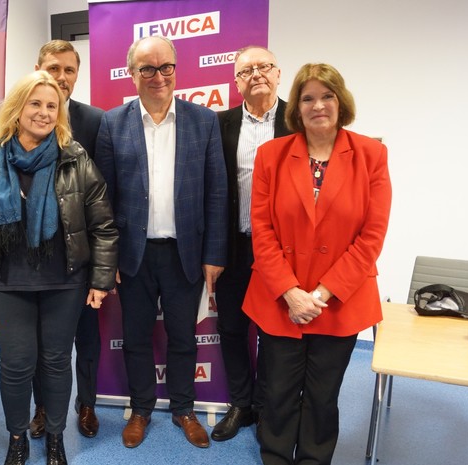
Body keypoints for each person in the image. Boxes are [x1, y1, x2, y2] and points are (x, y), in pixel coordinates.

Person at [0, 70, 117, 465]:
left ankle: (56, 438)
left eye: (51, 106)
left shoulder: (74, 157)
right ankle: (17, 438)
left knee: (57, 362)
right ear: (17, 107)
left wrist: (100, 279)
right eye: (36, 103)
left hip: (65, 282)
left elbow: (103, 226)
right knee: (15, 365)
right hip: (8, 283)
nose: (44, 113)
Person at [243, 63, 391, 465]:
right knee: (277, 392)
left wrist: (321, 294)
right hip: (280, 299)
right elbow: (262, 230)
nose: (318, 105)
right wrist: (290, 292)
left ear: (341, 102)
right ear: (297, 108)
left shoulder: (371, 155)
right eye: (307, 98)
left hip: (340, 300)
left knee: (323, 395)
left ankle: (313, 458)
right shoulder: (271, 155)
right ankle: (275, 456)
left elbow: (372, 236)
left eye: (327, 96)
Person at [94, 36, 228, 449]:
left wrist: (214, 254)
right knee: (135, 338)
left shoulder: (203, 121)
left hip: (185, 254)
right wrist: (107, 258)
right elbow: (102, 198)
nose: (158, 76)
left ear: (175, 68)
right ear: (132, 73)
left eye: (165, 66)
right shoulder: (112, 123)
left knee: (183, 338)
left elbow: (217, 192)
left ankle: (184, 409)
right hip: (132, 256)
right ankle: (140, 410)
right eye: (147, 68)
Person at [211, 45, 291, 442]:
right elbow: (212, 190)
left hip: (284, 252)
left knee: (275, 333)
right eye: (246, 70)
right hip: (235, 247)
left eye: (264, 67)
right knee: (231, 327)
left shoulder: (298, 121)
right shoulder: (219, 124)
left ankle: (267, 407)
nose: (256, 74)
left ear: (278, 73)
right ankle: (241, 404)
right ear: (236, 82)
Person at [29, 39, 106, 440]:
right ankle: (42, 407)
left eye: (69, 70)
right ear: (38, 70)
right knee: (41, 342)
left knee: (87, 336)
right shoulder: (21, 118)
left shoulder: (95, 121)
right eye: (53, 68)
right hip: (36, 257)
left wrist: (105, 262)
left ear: (77, 75)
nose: (61, 77)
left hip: (83, 256)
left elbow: (106, 195)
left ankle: (87, 404)